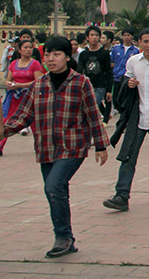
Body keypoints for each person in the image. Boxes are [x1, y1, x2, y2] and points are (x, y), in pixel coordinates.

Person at [1, 36, 109, 258]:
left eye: (56, 54)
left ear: (67, 57)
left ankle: (62, 237)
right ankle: (66, 238)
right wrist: (5, 131)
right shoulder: (39, 84)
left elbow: (92, 115)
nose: (51, 59)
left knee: (54, 186)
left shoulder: (81, 82)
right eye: (47, 55)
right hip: (46, 148)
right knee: (56, 191)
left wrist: (100, 145)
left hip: (73, 147)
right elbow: (23, 115)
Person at [103, 28, 149, 211]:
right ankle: (121, 195)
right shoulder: (133, 61)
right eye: (146, 41)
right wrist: (129, 85)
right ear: (139, 42)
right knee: (128, 156)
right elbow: (126, 83)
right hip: (139, 116)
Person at [1, 38, 44, 155]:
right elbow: (9, 79)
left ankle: (40, 146)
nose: (28, 50)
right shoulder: (14, 63)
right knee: (6, 121)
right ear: (19, 50)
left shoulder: (35, 64)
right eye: (25, 47)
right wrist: (10, 84)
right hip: (14, 97)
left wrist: (21, 85)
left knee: (35, 123)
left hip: (30, 97)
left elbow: (38, 81)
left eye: (30, 47)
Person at [78, 25, 114, 124]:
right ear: (87, 37)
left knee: (92, 105)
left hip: (100, 85)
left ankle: (96, 123)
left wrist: (109, 89)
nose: (94, 37)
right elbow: (80, 70)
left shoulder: (104, 53)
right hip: (87, 85)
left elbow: (108, 72)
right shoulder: (83, 54)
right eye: (92, 35)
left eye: (96, 35)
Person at [110, 28, 140, 107]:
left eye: (128, 35)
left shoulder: (136, 50)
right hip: (117, 77)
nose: (126, 37)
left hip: (127, 78)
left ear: (132, 37)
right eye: (124, 35)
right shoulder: (116, 48)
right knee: (116, 99)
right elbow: (112, 61)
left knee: (125, 99)